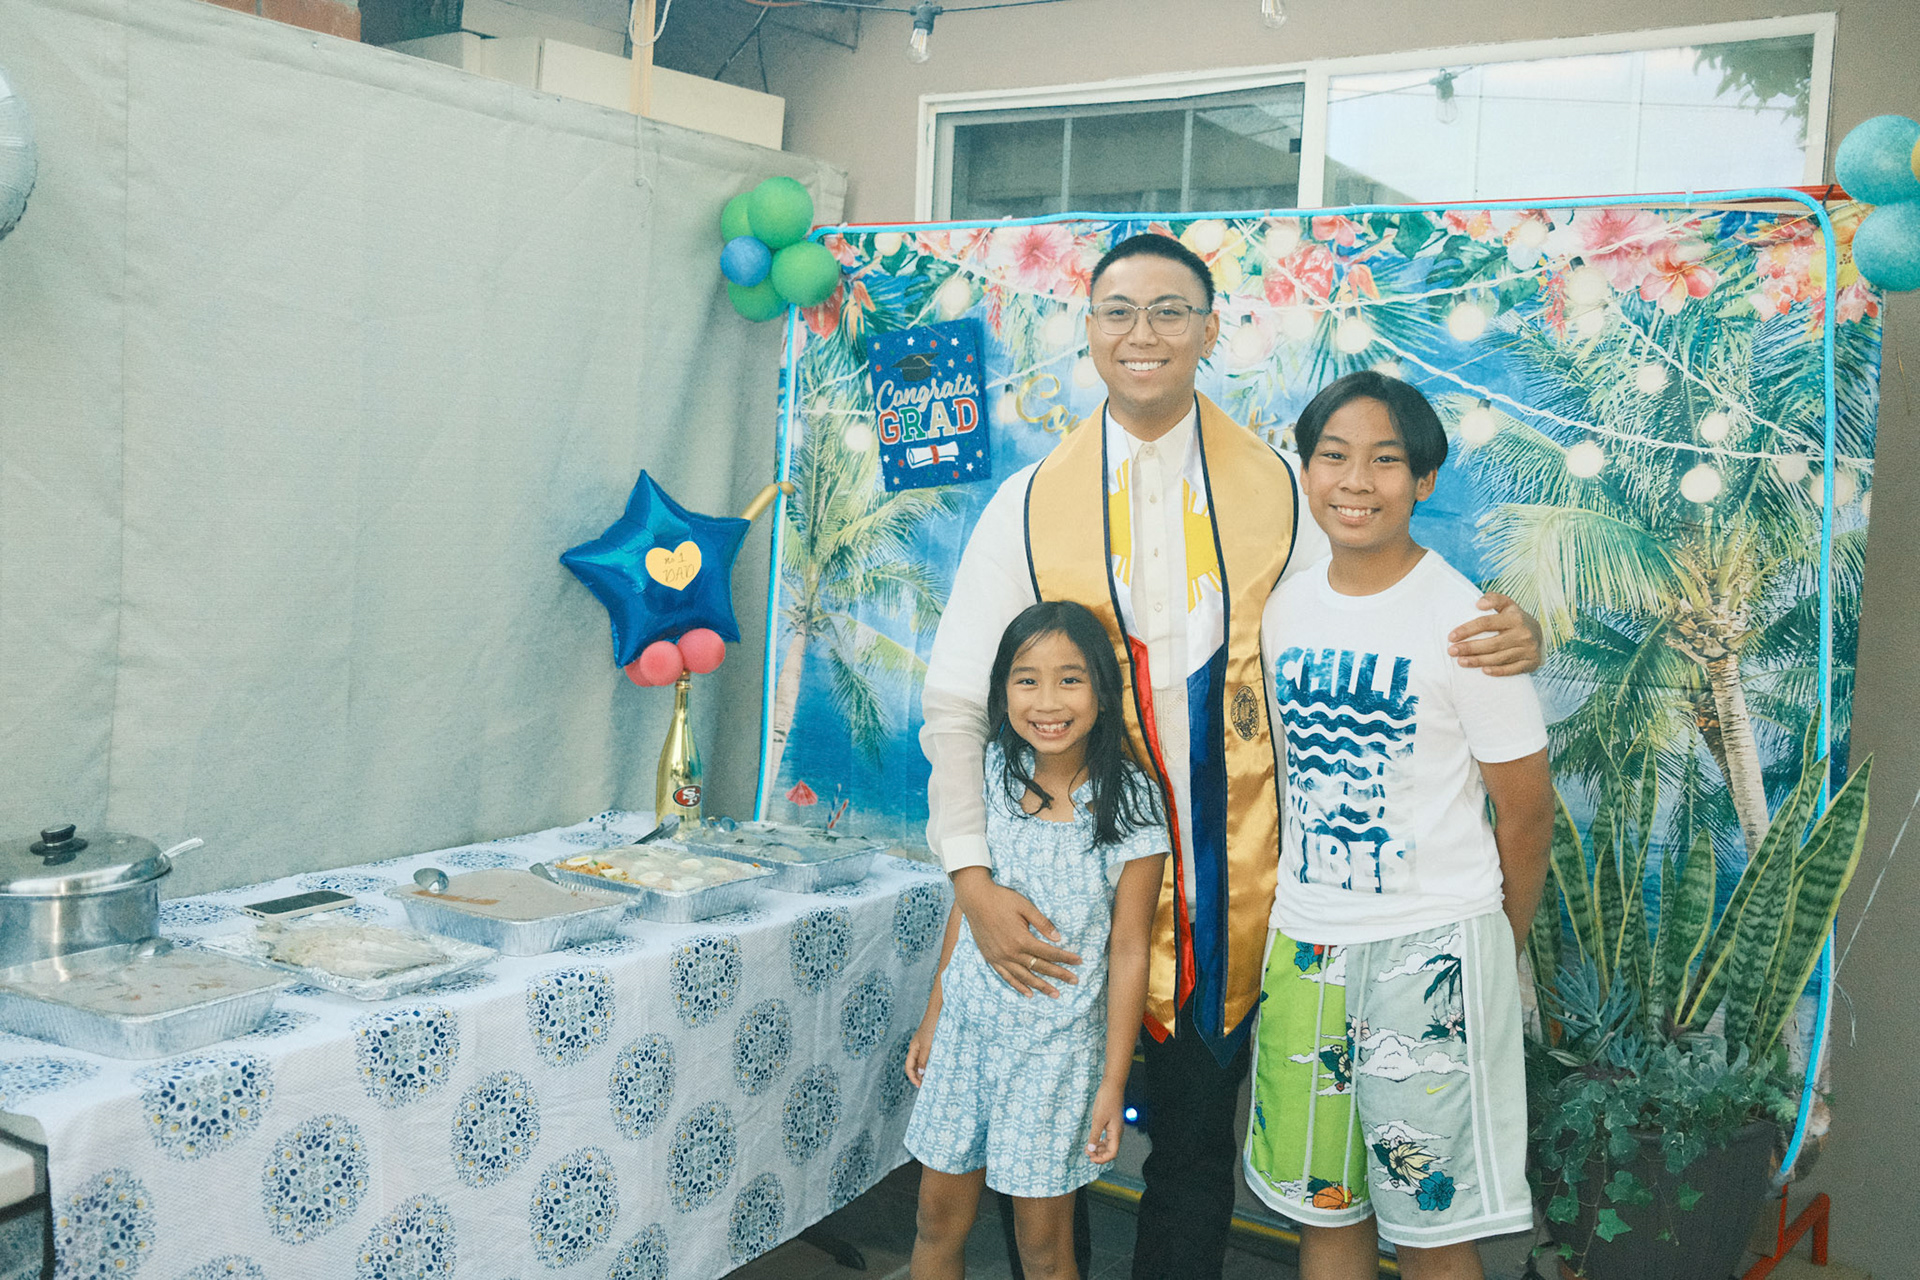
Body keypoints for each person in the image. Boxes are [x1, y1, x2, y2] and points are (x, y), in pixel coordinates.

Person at [919, 232, 1544, 1278]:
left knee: (1198, 1152)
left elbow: (1386, 588)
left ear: (1211, 330)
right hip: (1071, 893)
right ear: (1088, 330)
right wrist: (971, 876)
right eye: (1119, 311)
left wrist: (1516, 630)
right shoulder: (1025, 504)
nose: (1145, 333)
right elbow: (953, 706)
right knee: (1045, 1150)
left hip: (1241, 887)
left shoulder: (1286, 486)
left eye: (1171, 311)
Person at [1245, 371, 1555, 1280]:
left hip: (1431, 950)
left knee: (1432, 1229)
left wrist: (1488, 948)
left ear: (1423, 480)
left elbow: (1527, 813)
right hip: (1307, 945)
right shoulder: (1287, 607)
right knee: (1324, 1212)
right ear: (1306, 470)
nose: (1355, 481)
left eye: (1385, 461)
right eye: (1333, 456)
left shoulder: (1468, 624)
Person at [904, 600, 1169, 1280]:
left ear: (1103, 693)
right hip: (965, 1038)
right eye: (1027, 680)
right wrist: (934, 1016)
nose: (1047, 702)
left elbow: (1129, 950)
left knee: (1044, 1250)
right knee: (935, 1222)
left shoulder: (1132, 801)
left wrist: (1113, 1082)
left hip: (1054, 1058)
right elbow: (969, 908)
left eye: (1069, 679)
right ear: (1002, 691)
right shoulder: (990, 773)